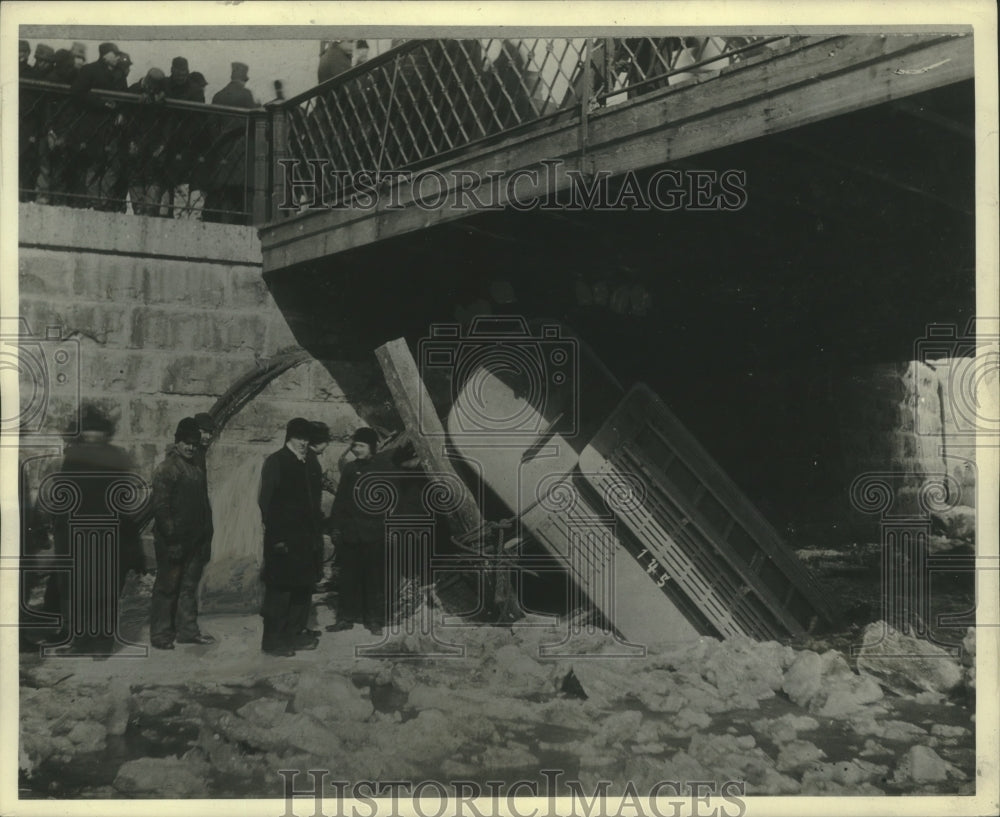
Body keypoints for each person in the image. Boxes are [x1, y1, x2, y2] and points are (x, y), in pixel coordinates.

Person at [42, 405, 145, 652]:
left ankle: (98, 642)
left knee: (100, 591)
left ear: (104, 433)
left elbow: (122, 502)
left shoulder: (114, 458)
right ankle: (82, 639)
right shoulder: (75, 457)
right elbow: (64, 498)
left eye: (96, 432)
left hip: (104, 535)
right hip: (79, 536)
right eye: (88, 432)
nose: (92, 436)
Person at [149, 417, 215, 649]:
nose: (190, 447)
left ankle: (187, 630)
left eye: (194, 444)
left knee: (188, 587)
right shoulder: (167, 469)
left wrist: (207, 535)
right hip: (172, 542)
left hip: (194, 541)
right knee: (167, 587)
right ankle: (161, 635)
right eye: (186, 443)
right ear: (177, 443)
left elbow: (203, 505)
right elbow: (161, 508)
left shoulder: (196, 469)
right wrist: (172, 539)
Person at [258, 418, 323, 656]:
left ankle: (294, 635)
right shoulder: (277, 462)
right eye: (299, 438)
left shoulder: (308, 464)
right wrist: (277, 539)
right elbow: (267, 503)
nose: (304, 443)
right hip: (283, 542)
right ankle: (273, 641)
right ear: (289, 438)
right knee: (280, 593)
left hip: (305, 542)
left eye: (306, 439)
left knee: (302, 591)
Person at [327, 427, 386, 634]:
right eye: (354, 446)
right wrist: (335, 528)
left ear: (372, 447)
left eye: (361, 446)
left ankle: (374, 620)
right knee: (348, 578)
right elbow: (341, 500)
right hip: (351, 533)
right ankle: (345, 617)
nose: (356, 449)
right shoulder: (350, 469)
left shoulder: (383, 468)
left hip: (375, 534)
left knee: (374, 578)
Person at [70, 42, 124, 209]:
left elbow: (124, 96)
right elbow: (77, 92)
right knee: (91, 163)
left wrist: (121, 111)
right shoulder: (90, 70)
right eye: (114, 54)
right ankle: (90, 201)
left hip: (111, 128)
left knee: (110, 164)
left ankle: (102, 202)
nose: (117, 58)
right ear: (105, 55)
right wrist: (103, 104)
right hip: (91, 126)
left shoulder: (119, 74)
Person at [204, 61, 257, 224]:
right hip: (242, 154)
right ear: (244, 79)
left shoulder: (218, 95)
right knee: (242, 198)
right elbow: (255, 122)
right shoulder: (246, 95)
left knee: (225, 197)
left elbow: (211, 126)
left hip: (222, 154)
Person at [125, 67, 169, 215]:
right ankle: (138, 208)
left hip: (153, 144)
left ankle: (149, 209)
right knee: (135, 176)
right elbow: (127, 117)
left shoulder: (161, 94)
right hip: (135, 141)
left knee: (153, 177)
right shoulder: (134, 90)